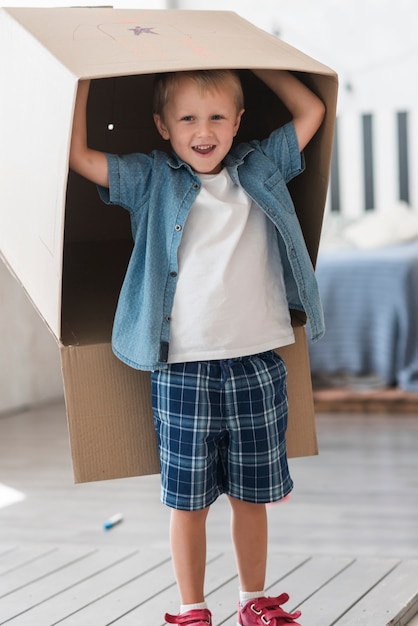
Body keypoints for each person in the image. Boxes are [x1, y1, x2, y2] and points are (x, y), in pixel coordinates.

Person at [70, 67, 325, 626]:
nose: (202, 130)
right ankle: (192, 609)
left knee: (251, 496)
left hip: (257, 361)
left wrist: (256, 60)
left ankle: (252, 600)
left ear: (237, 121)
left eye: (216, 117)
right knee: (187, 501)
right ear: (162, 125)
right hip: (182, 368)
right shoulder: (150, 180)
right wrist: (82, 77)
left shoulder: (260, 165)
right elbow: (80, 156)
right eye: (187, 118)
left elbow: (311, 112)